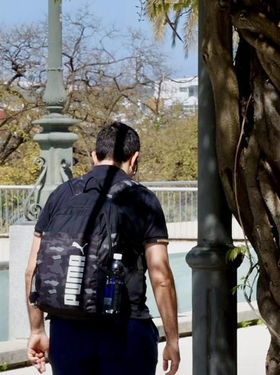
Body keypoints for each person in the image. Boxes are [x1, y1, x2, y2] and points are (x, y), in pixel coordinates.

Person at [25, 122, 180, 375]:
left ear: (94, 156)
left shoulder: (61, 194)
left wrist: (37, 330)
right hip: (125, 330)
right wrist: (172, 339)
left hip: (67, 331)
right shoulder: (142, 198)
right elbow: (160, 276)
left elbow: (32, 269)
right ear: (134, 159)